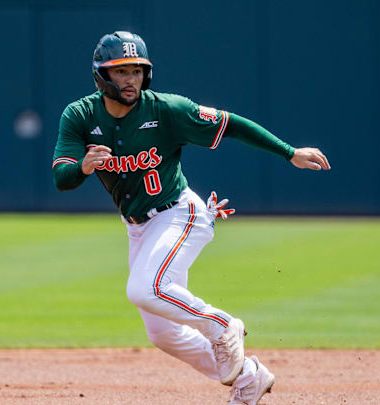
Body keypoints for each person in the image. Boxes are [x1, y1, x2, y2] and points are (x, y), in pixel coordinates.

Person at [51, 31, 330, 405]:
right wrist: (83, 167)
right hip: (139, 227)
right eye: (120, 72)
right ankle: (249, 378)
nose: (131, 79)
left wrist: (289, 152)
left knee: (143, 289)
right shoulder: (81, 116)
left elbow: (231, 124)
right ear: (101, 76)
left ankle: (223, 325)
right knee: (163, 334)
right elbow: (62, 177)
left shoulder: (166, 109)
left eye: (137, 70)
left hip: (180, 214)